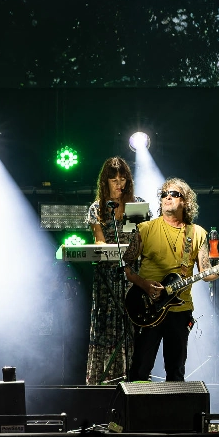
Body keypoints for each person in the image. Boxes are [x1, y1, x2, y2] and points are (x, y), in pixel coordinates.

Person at [123, 178, 219, 382]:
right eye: (164, 194)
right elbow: (126, 266)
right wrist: (144, 284)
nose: (167, 197)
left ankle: (173, 403)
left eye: (174, 194)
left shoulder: (197, 233)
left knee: (175, 371)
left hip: (180, 310)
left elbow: (206, 273)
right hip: (147, 306)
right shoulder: (145, 229)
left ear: (186, 201)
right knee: (140, 369)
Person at [85, 157, 145, 385]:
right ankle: (105, 378)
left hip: (131, 273)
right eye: (114, 180)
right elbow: (99, 241)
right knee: (107, 323)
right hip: (107, 275)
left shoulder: (136, 205)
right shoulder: (98, 208)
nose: (119, 184)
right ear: (105, 182)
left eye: (123, 180)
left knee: (132, 321)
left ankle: (134, 377)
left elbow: (138, 241)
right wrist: (108, 249)